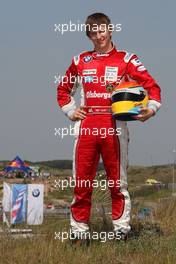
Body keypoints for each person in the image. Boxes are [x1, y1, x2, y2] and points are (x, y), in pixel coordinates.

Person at [57, 13, 161, 241]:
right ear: (89, 36)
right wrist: (71, 111)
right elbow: (63, 90)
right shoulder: (80, 60)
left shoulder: (127, 59)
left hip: (115, 127)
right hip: (86, 127)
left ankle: (121, 231)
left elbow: (152, 86)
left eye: (101, 30)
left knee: (117, 182)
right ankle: (79, 232)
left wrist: (151, 109)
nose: (98, 36)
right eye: (93, 32)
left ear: (110, 30)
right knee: (82, 183)